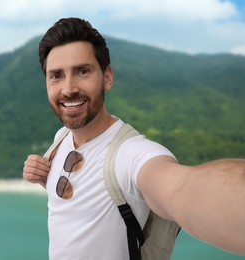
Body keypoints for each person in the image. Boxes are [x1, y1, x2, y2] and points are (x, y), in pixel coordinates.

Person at [22, 17, 245, 259]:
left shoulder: (131, 155)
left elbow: (183, 189)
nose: (68, 89)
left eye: (83, 71)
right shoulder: (62, 137)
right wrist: (46, 176)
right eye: (56, 76)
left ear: (107, 77)